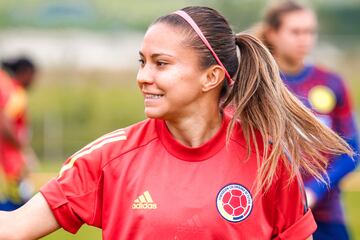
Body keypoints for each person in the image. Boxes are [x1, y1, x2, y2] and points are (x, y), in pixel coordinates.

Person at [0, 6, 352, 240]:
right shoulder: (109, 158)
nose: (143, 76)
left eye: (161, 63)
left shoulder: (268, 162)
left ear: (211, 76)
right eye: (142, 62)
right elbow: (14, 227)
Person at [255, 1, 359, 239]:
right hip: (273, 214)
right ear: (273, 33)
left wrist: (313, 191)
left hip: (326, 213)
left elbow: (352, 149)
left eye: (310, 31)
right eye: (296, 32)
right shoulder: (258, 85)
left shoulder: (331, 82)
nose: (305, 39)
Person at [0, 57, 37, 211]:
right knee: (16, 208)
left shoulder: (7, 88)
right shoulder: (16, 93)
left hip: (9, 159)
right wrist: (22, 147)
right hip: (9, 160)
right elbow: (3, 123)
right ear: (25, 73)